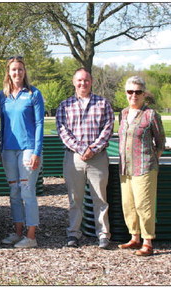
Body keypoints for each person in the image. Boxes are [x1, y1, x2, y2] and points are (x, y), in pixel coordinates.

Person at [56, 67, 114, 249]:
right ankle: (73, 233)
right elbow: (62, 130)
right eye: (79, 80)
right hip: (74, 158)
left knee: (100, 198)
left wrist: (93, 149)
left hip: (98, 158)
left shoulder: (103, 104)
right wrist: (82, 149)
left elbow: (108, 128)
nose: (83, 83)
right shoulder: (65, 106)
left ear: (91, 82)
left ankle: (103, 234)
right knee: (75, 199)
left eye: (86, 80)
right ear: (74, 82)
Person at [0, 56, 44, 249]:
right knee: (14, 192)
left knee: (27, 192)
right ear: (8, 72)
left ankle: (31, 236)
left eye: (20, 69)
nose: (17, 73)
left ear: (24, 72)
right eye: (13, 69)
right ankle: (17, 232)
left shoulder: (34, 93)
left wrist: (36, 152)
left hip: (28, 149)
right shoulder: (3, 95)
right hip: (9, 150)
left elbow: (40, 123)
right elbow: (3, 123)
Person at [117, 76, 166, 256]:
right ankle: (134, 237)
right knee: (128, 204)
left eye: (138, 92)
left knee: (143, 205)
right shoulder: (122, 113)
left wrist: (150, 158)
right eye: (130, 91)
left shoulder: (150, 115)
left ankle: (147, 241)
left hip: (144, 167)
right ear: (126, 93)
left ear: (144, 94)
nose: (134, 95)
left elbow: (160, 142)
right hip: (125, 167)